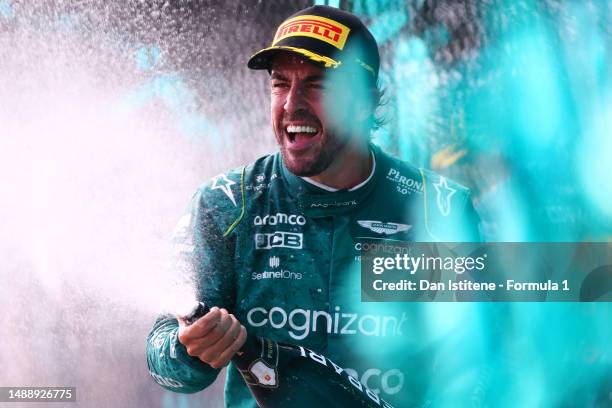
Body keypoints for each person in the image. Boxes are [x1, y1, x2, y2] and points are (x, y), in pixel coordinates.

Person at [147, 5, 480, 407]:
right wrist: (188, 349)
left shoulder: (439, 209)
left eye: (316, 85)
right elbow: (163, 357)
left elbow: (479, 363)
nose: (291, 105)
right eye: (280, 84)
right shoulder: (226, 203)